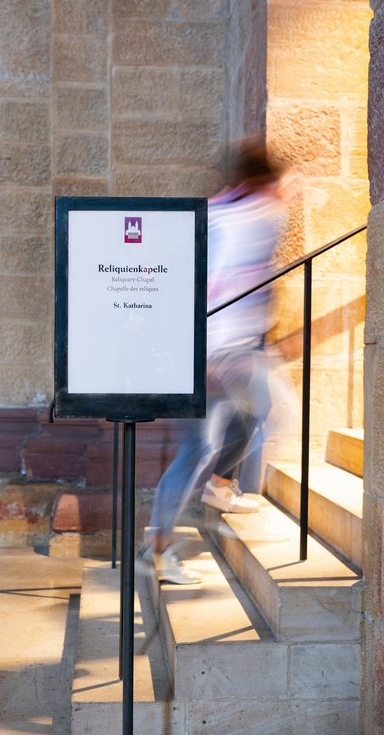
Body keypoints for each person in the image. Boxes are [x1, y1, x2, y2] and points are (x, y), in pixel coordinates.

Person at [140, 140, 287, 584]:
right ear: (262, 181)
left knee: (240, 421)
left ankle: (214, 492)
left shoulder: (215, 210)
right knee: (266, 415)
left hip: (199, 346)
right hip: (222, 349)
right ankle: (162, 545)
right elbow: (236, 278)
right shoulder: (258, 216)